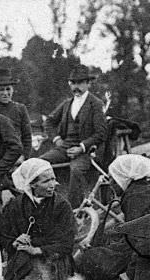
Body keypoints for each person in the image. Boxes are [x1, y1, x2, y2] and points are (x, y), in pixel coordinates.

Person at [0, 158, 75, 280]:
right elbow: (4, 235)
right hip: (23, 258)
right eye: (46, 181)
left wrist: (37, 250)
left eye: (53, 179)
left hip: (53, 259)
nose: (53, 185)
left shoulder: (61, 206)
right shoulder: (15, 205)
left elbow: (66, 243)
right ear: (32, 184)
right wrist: (15, 242)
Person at [40, 65, 107, 208]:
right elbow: (49, 122)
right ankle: (44, 205)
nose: (77, 87)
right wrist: (56, 139)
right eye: (74, 83)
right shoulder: (67, 103)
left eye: (81, 82)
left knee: (76, 170)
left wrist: (82, 147)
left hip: (86, 151)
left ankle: (72, 210)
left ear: (88, 83)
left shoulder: (96, 104)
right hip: (64, 147)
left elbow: (101, 133)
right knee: (39, 163)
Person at [0, 67, 32, 159]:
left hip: (18, 157)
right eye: (1, 90)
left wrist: (24, 156)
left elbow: (27, 137)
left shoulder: (20, 109)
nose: (5, 93)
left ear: (13, 90)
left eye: (8, 89)